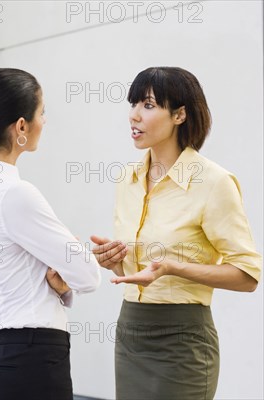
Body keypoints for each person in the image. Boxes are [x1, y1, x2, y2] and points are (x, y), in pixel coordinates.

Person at [91, 67, 262, 399]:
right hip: (131, 332)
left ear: (180, 114)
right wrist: (113, 262)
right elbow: (134, 271)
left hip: (183, 339)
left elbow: (248, 275)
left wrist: (172, 268)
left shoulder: (213, 182)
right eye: (133, 104)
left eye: (149, 105)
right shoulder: (126, 179)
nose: (134, 116)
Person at [0, 68, 101, 400]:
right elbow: (88, 276)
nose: (44, 121)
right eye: (41, 113)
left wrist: (61, 283)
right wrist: (73, 249)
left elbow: (24, 271)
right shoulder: (16, 194)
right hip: (33, 360)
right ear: (20, 127)